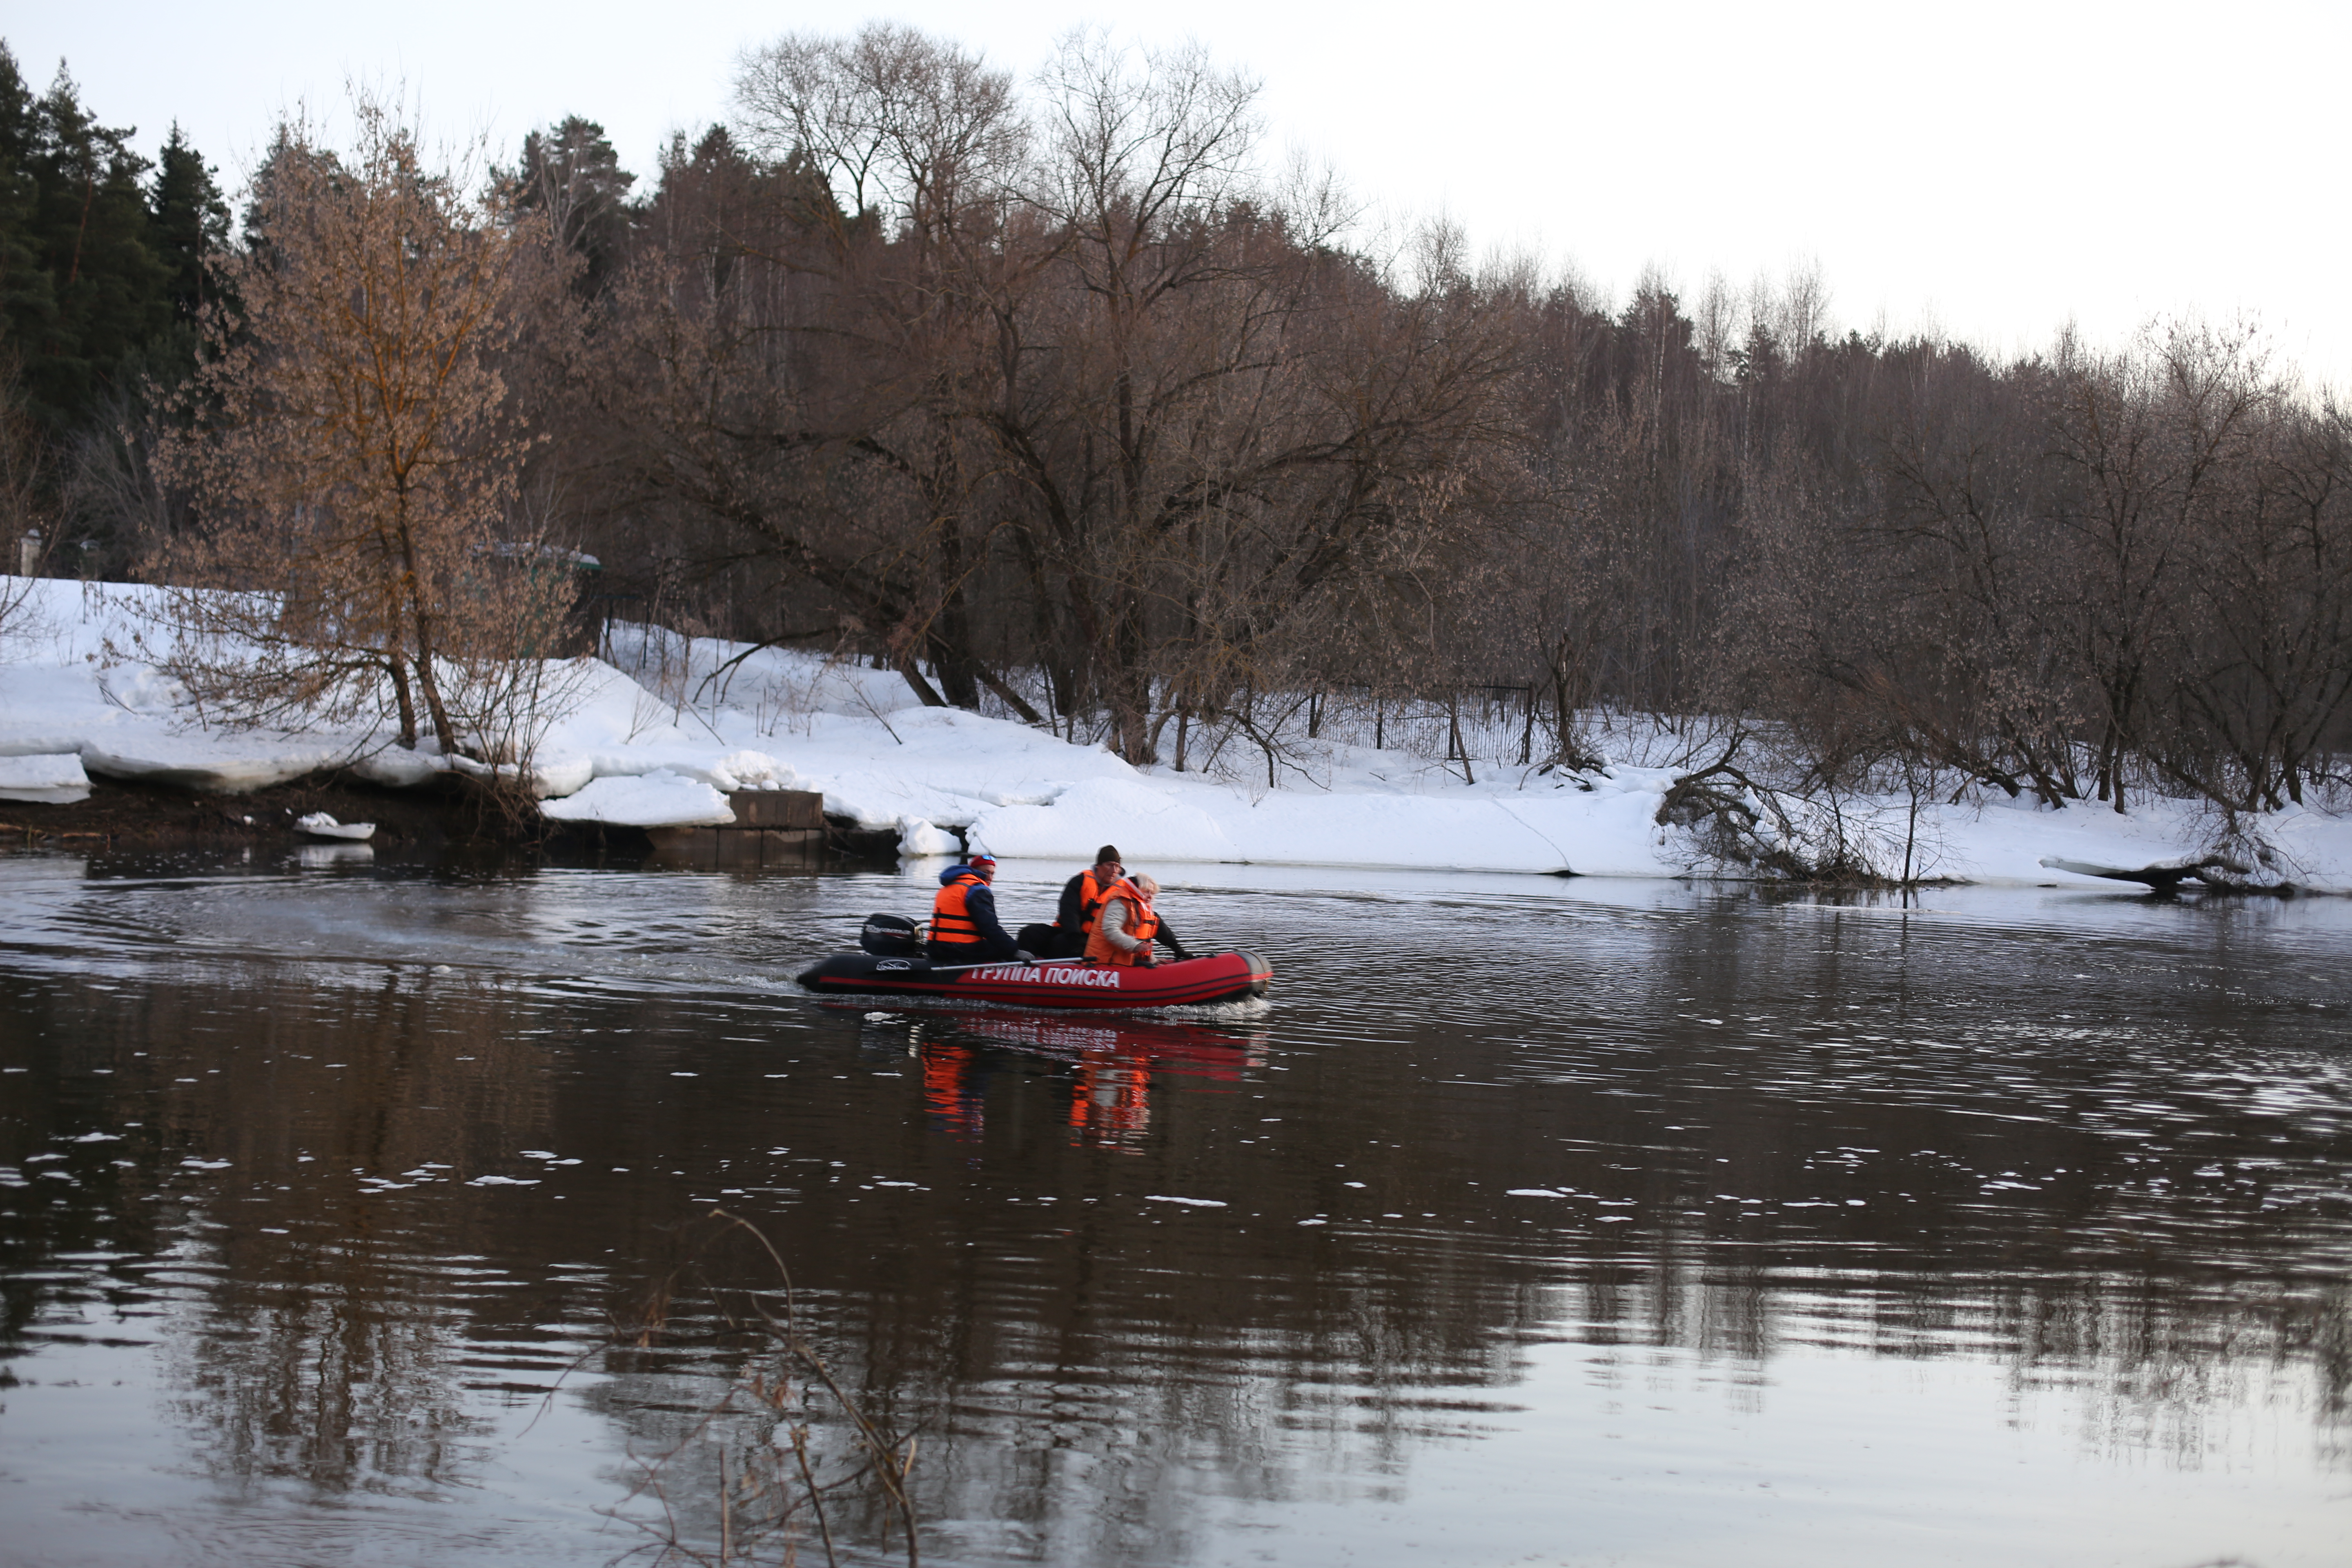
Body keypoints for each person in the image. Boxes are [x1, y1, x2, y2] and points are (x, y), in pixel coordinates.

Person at [928, 853, 1030, 964]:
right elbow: (990, 928)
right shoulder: (977, 890)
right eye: (986, 873)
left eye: (992, 874)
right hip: (958, 949)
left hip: (936, 947)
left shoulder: (950, 886)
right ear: (974, 871)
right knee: (1008, 948)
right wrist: (1016, 951)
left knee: (997, 944)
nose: (990, 878)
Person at [1051, 845, 1124, 959]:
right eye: (1110, 865)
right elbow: (1069, 911)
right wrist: (1075, 938)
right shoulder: (1080, 881)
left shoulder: (1122, 891)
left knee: (1061, 942)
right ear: (1098, 866)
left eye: (1117, 866)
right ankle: (1027, 964)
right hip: (1073, 933)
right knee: (1031, 933)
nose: (1114, 871)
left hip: (1100, 939)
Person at [1084, 872, 1165, 968]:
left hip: (1127, 960)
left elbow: (1141, 938)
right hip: (1105, 963)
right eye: (1146, 892)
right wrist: (1136, 945)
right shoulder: (1119, 902)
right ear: (1137, 890)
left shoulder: (1141, 907)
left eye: (1152, 893)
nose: (1150, 897)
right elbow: (1111, 930)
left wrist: (1154, 960)